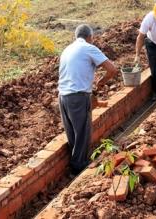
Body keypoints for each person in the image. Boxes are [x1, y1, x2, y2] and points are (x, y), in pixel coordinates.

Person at [58, 24, 118, 175]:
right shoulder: (88, 48)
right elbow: (112, 70)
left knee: (73, 133)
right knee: (83, 133)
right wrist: (102, 82)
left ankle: (76, 164)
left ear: (76, 36)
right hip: (77, 97)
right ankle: (80, 168)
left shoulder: (67, 49)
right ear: (90, 37)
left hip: (63, 97)